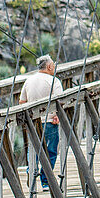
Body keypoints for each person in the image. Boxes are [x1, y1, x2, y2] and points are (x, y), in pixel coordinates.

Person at [18, 54, 63, 189]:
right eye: (53, 65)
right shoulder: (54, 81)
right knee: (50, 151)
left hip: (33, 123)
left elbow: (22, 101)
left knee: (34, 149)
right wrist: (56, 116)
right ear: (49, 66)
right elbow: (60, 101)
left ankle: (31, 171)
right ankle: (45, 181)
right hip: (49, 121)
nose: (54, 68)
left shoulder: (29, 80)